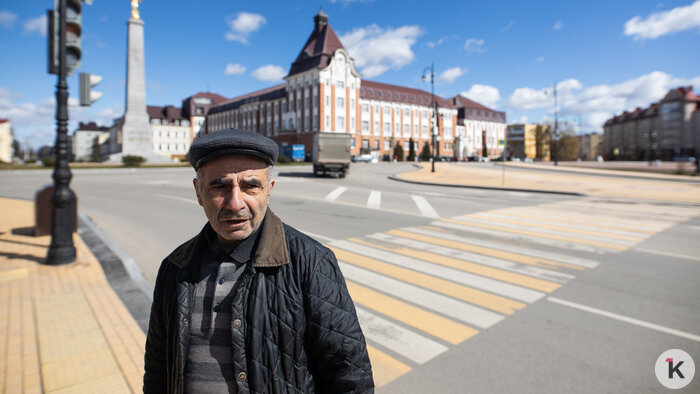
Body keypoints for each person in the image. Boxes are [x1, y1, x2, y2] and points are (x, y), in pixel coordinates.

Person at [143, 128, 374, 393]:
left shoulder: (311, 263)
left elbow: (350, 376)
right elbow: (158, 370)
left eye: (251, 186)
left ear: (269, 190)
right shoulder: (175, 267)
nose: (235, 202)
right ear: (198, 192)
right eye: (219, 186)